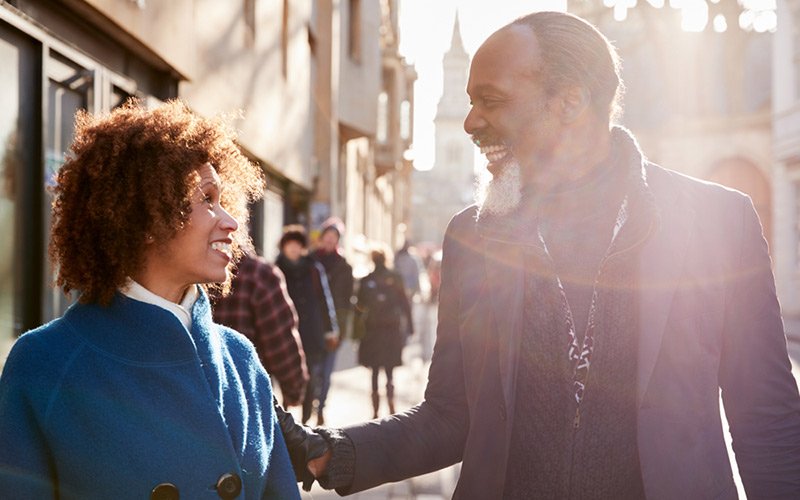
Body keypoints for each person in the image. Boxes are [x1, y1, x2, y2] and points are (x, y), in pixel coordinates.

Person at [282, 11, 800, 499]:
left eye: (491, 100)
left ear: (569, 101)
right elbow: (450, 415)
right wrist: (331, 452)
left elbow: (768, 421)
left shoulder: (717, 222)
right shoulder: (472, 236)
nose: (469, 122)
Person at [0, 100, 300, 498]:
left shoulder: (240, 359)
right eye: (207, 199)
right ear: (145, 220)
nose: (230, 222)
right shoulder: (44, 363)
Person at [213, 251, 309, 407]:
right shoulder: (259, 274)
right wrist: (294, 389)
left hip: (196, 400)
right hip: (248, 397)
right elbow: (280, 341)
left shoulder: (184, 272)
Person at [276, 225, 338, 425]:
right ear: (283, 247)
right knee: (285, 372)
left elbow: (324, 300)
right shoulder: (276, 269)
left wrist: (330, 329)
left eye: (297, 245)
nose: (293, 249)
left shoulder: (313, 269)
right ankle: (285, 417)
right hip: (284, 331)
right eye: (289, 245)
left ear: (303, 247)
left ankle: (305, 419)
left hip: (311, 330)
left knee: (311, 375)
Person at [354, 248, 413, 418]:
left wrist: (356, 330)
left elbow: (358, 306)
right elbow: (405, 302)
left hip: (372, 330)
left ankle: (375, 410)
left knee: (374, 371)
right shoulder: (396, 277)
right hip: (391, 330)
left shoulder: (367, 280)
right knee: (389, 371)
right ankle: (391, 405)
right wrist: (410, 326)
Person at [313, 218, 354, 425]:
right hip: (312, 324)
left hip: (334, 326)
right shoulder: (310, 261)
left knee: (327, 371)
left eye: (333, 238)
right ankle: (311, 401)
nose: (329, 241)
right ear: (321, 239)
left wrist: (342, 331)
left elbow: (348, 302)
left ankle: (321, 407)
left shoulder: (344, 266)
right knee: (314, 370)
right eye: (327, 237)